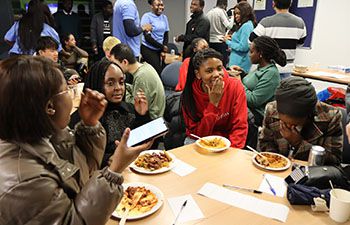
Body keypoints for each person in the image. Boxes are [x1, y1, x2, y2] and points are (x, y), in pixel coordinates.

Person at [0, 55, 152, 224]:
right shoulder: (26, 183)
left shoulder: (44, 136)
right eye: (68, 90)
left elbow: (82, 175)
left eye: (122, 82)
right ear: (50, 107)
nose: (74, 97)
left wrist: (90, 125)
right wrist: (115, 168)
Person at [82, 59, 151, 168]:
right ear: (97, 84)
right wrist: (107, 159)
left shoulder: (129, 109)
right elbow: (82, 156)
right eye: (110, 83)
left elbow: (147, 147)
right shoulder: (86, 118)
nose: (118, 88)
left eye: (121, 82)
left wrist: (142, 116)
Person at [259, 77, 342, 164]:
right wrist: (276, 162)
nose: (289, 126)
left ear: (309, 115)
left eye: (295, 124)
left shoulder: (330, 117)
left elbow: (334, 160)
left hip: (311, 172)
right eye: (284, 122)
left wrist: (298, 143)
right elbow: (265, 142)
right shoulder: (271, 109)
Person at [181, 48, 248, 148]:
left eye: (219, 68)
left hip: (228, 143)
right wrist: (213, 105)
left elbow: (240, 127)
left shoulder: (235, 87)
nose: (217, 74)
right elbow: (196, 134)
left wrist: (231, 153)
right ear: (198, 74)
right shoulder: (190, 93)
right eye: (209, 71)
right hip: (201, 140)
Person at [233, 36, 286, 126]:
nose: (249, 55)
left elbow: (253, 101)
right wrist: (241, 73)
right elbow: (253, 83)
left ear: (260, 54)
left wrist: (238, 83)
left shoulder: (271, 74)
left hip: (257, 115)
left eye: (251, 52)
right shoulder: (261, 68)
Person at [249, 0, 307, 79]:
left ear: (273, 4)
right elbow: (300, 43)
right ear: (290, 4)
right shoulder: (300, 23)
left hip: (268, 69)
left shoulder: (265, 22)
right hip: (287, 68)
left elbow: (250, 40)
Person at [110, 43, 166, 120]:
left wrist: (121, 90)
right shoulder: (145, 67)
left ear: (125, 62)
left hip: (152, 120)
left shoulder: (142, 77)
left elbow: (135, 107)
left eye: (115, 64)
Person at [224, 1, 255, 73]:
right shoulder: (245, 25)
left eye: (238, 13)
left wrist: (228, 42)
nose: (236, 16)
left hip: (240, 65)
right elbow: (241, 41)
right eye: (235, 14)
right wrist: (232, 39)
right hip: (237, 62)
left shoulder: (246, 26)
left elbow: (244, 47)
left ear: (245, 13)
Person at [141, 0, 169, 75]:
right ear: (152, 6)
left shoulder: (164, 18)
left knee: (164, 69)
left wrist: (163, 49)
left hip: (160, 49)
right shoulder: (147, 17)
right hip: (148, 49)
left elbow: (166, 34)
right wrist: (162, 47)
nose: (160, 7)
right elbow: (148, 38)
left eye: (161, 5)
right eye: (157, 5)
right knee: (158, 72)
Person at [206, 0, 233, 66]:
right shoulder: (221, 12)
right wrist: (232, 17)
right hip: (220, 41)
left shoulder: (209, 13)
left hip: (210, 42)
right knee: (221, 65)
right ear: (225, 4)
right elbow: (229, 26)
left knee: (212, 65)